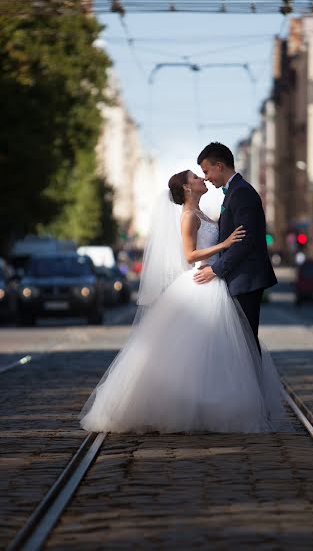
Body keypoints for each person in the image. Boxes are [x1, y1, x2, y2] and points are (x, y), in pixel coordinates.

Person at [78, 167, 293, 434]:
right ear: (187, 188)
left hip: (214, 282)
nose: (202, 178)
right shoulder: (189, 216)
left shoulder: (203, 213)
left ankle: (209, 406)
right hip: (201, 281)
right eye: (195, 176)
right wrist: (224, 244)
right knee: (195, 350)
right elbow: (190, 255)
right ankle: (185, 408)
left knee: (214, 351)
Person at [196, 142, 277, 355]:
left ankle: (251, 388)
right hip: (239, 279)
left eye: (206, 171)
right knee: (239, 345)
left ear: (219, 166)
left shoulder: (241, 192)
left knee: (245, 344)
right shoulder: (235, 191)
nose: (205, 177)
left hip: (245, 280)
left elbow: (244, 240)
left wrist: (215, 270)